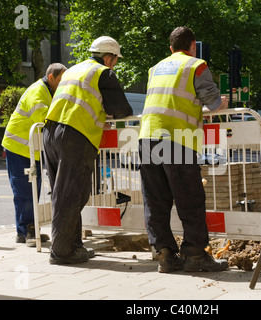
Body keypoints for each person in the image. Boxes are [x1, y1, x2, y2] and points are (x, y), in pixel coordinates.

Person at [138, 26, 229, 273]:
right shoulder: (195, 65)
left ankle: (166, 256)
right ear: (193, 45)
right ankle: (195, 255)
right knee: (189, 197)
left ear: (170, 49)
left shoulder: (155, 68)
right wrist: (222, 102)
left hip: (147, 137)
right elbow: (212, 102)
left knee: (155, 200)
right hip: (177, 137)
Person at [43, 36, 133, 265]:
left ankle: (73, 245)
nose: (114, 64)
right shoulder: (103, 72)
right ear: (108, 57)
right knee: (73, 193)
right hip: (75, 134)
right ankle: (62, 251)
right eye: (115, 60)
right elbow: (122, 109)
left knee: (61, 193)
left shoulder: (73, 70)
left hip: (50, 131)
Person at [2, 63, 67, 247]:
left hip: (30, 149)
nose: (63, 85)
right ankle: (26, 230)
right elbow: (44, 120)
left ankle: (28, 229)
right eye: (61, 80)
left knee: (33, 189)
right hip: (18, 147)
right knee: (24, 190)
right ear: (51, 77)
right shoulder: (38, 92)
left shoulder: (49, 91)